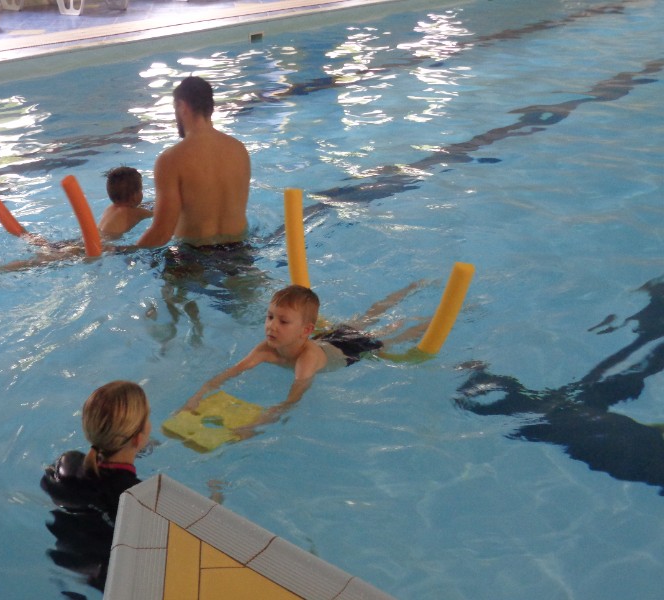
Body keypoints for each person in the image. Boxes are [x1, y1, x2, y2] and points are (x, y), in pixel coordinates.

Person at [182, 283, 428, 427]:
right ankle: (413, 289)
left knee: (391, 339)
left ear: (305, 330)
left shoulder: (306, 360)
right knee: (366, 318)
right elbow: (229, 373)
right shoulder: (266, 349)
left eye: (283, 321)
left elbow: (292, 401)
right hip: (327, 339)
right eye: (270, 317)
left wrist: (254, 425)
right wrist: (196, 398)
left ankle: (425, 321)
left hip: (350, 351)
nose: (272, 326)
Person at [40, 380, 152, 591]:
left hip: (66, 558)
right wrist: (215, 493)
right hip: (109, 579)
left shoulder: (66, 464)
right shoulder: (140, 498)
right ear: (138, 439)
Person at [135, 76, 251, 249]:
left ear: (182, 106)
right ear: (211, 107)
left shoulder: (171, 159)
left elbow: (161, 233)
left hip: (193, 256)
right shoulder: (239, 149)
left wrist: (120, 252)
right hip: (240, 249)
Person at [0, 167, 151, 278]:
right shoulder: (135, 213)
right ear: (136, 195)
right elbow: (157, 214)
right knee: (43, 261)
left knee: (48, 247)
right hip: (94, 246)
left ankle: (23, 235)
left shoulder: (112, 208)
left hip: (80, 240)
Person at [97, 166, 153, 239]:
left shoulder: (110, 208)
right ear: (134, 196)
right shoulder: (137, 213)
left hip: (95, 236)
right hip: (109, 243)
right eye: (141, 190)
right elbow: (156, 214)